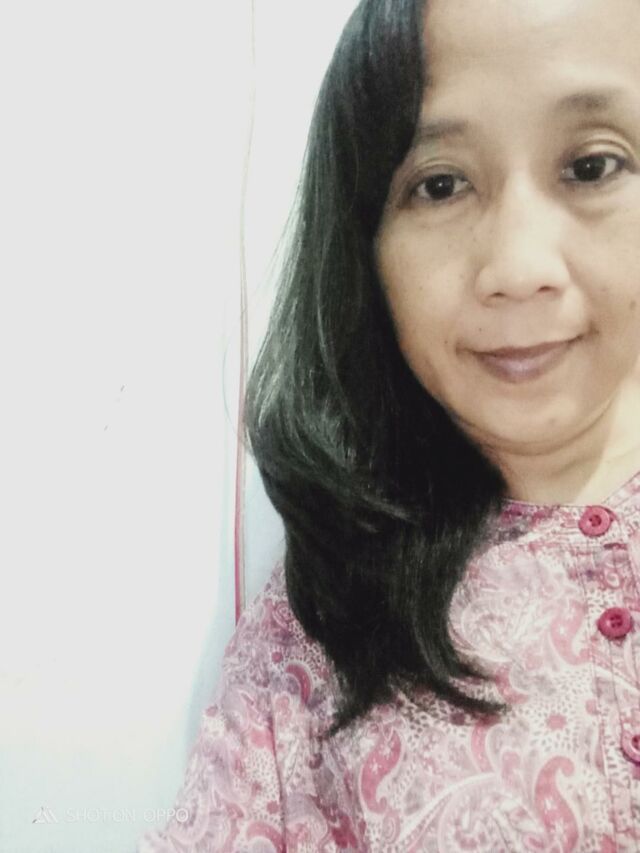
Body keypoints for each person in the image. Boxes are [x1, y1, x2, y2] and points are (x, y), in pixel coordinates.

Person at [138, 0, 640, 848]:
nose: (519, 267)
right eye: (439, 184)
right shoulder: (320, 621)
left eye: (591, 167)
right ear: (365, 243)